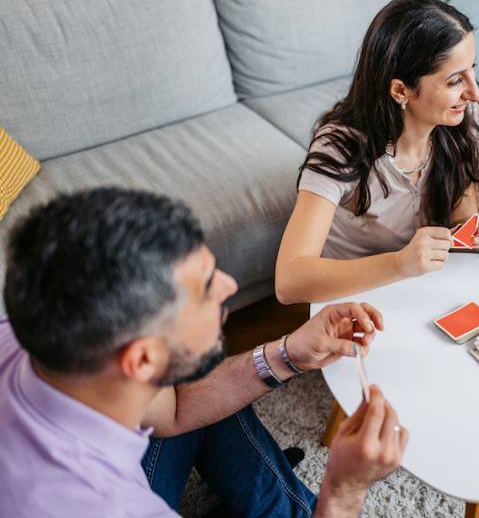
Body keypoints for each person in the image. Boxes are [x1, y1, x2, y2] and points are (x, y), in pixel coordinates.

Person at [0, 187, 408, 517]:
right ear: (142, 361)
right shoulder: (110, 506)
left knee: (200, 349)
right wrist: (343, 492)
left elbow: (171, 410)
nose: (230, 286)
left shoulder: (29, 330)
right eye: (205, 287)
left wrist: (290, 354)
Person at [275, 0, 479, 304]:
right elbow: (289, 281)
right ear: (401, 90)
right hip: (352, 300)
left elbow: (461, 226)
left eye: (473, 69)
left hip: (419, 290)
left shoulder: (452, 129)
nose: (475, 93)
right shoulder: (340, 148)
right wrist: (400, 263)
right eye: (455, 80)